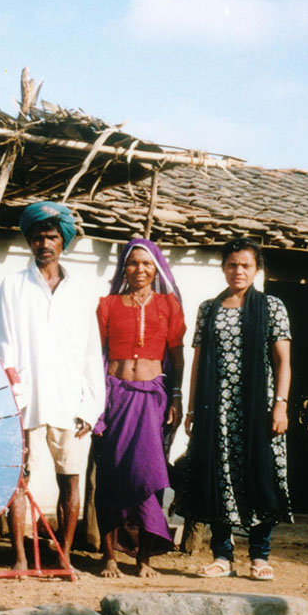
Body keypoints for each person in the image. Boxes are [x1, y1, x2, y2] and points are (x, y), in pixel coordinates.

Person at [0, 201, 104, 572]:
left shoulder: (81, 291)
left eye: (53, 237)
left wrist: (90, 406)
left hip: (71, 403)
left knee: (70, 479)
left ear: (64, 242)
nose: (45, 244)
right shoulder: (12, 286)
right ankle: (21, 558)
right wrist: (14, 398)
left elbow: (91, 352)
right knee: (18, 480)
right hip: (27, 401)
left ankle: (64, 558)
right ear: (29, 241)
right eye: (38, 237)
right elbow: (6, 346)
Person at [184, 237, 292, 581]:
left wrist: (281, 406)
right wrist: (191, 409)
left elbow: (283, 361)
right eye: (232, 264)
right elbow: (198, 362)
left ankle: (260, 556)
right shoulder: (209, 308)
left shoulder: (272, 307)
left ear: (257, 269)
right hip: (217, 408)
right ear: (223, 268)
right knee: (220, 475)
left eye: (246, 264)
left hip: (260, 407)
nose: (238, 271)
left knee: (262, 473)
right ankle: (222, 556)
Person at [94, 239, 185, 577]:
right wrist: (96, 403)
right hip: (114, 396)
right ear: (124, 268)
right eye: (132, 263)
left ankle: (143, 559)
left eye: (147, 264)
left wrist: (175, 396)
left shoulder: (168, 305)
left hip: (151, 399)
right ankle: (110, 557)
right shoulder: (108, 304)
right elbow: (97, 356)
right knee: (111, 474)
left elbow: (177, 357)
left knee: (147, 475)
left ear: (156, 268)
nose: (140, 270)